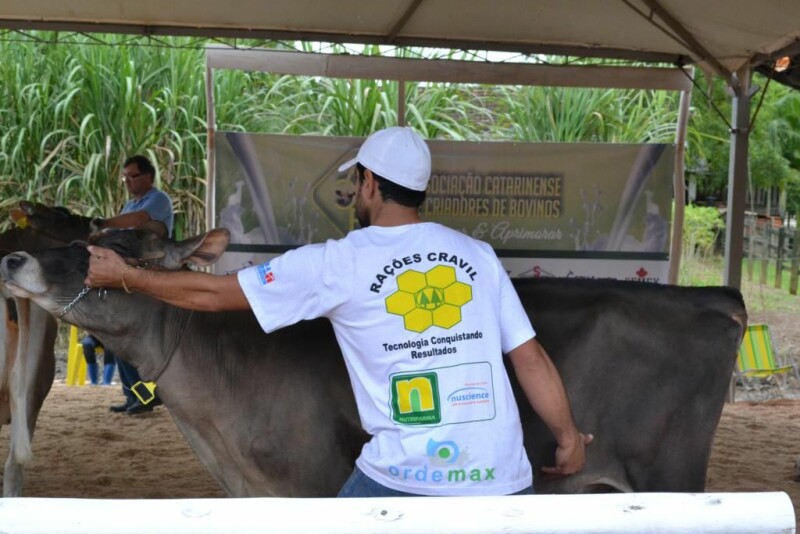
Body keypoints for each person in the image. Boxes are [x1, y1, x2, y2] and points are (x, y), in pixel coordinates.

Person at [85, 127, 592, 496]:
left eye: (358, 183)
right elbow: (530, 359)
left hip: (404, 481)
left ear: (369, 183)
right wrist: (568, 439)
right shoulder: (478, 256)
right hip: (501, 481)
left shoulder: (338, 262)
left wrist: (124, 276)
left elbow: (213, 295)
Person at [94, 154, 173, 416]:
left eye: (132, 175)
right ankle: (136, 397)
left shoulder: (157, 200)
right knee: (119, 337)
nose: (127, 180)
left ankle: (147, 395)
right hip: (128, 275)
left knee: (133, 338)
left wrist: (104, 223)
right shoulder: (129, 204)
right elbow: (120, 229)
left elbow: (138, 220)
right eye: (125, 176)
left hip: (149, 275)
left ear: (148, 176)